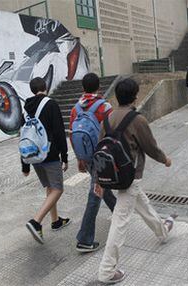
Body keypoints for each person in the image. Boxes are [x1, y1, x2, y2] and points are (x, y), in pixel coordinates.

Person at [96, 78, 176, 284]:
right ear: (135, 96)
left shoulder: (107, 118)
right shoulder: (137, 119)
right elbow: (151, 147)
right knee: (120, 221)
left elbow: (100, 150)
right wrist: (165, 160)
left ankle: (162, 231)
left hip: (113, 175)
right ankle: (106, 271)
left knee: (143, 203)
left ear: (116, 96)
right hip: (130, 175)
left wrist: (98, 181)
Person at [69, 73, 116, 253]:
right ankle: (85, 239)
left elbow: (73, 135)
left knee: (103, 188)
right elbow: (112, 134)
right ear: (99, 87)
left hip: (87, 158)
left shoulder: (75, 109)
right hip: (102, 158)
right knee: (95, 195)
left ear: (83, 88)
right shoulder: (104, 107)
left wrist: (80, 159)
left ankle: (119, 214)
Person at [23, 77, 70, 244]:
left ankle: (56, 221)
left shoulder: (26, 107)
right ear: (46, 87)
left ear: (32, 89)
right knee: (58, 189)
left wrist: (25, 164)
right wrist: (64, 156)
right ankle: (36, 222)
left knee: (50, 187)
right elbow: (59, 132)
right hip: (49, 154)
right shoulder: (51, 104)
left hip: (33, 155)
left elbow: (24, 135)